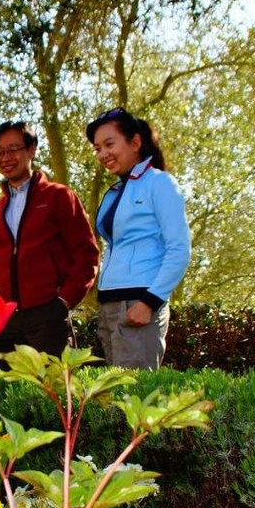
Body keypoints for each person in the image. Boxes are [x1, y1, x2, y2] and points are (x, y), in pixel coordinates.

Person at [0, 120, 99, 360]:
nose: (5, 157)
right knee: (14, 394)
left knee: (53, 392)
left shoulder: (60, 197)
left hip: (48, 316)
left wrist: (63, 302)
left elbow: (86, 254)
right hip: (5, 323)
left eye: (13, 149)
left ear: (31, 150)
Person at [86, 108, 190, 369]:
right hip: (110, 304)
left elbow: (179, 249)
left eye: (110, 144)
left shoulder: (160, 183)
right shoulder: (116, 191)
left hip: (138, 305)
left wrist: (149, 302)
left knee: (135, 396)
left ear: (135, 142)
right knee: (114, 400)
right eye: (97, 148)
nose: (103, 154)